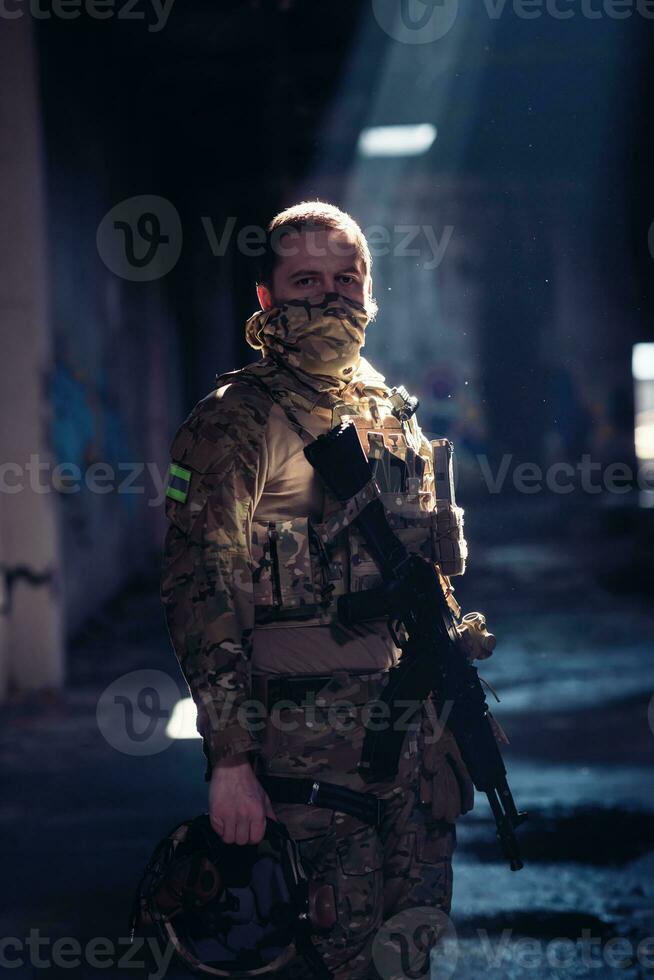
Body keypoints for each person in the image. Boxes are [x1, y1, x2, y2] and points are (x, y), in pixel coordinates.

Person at [160, 201, 489, 979]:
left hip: (411, 746)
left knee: (406, 954)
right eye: (306, 281)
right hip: (305, 759)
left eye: (348, 281)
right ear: (267, 300)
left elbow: (428, 570)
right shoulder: (236, 423)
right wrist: (230, 761)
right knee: (319, 955)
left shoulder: (389, 411)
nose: (331, 298)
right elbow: (199, 591)